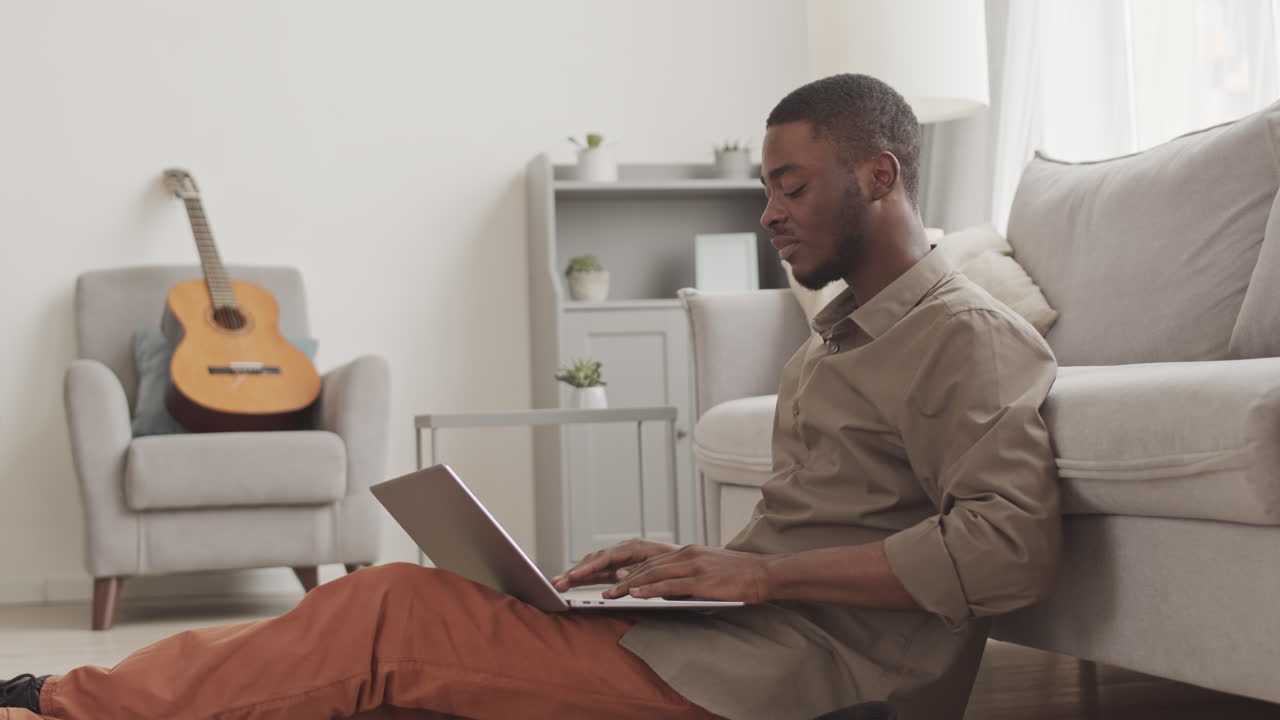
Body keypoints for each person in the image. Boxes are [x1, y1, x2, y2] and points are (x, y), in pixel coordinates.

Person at [0, 73, 1060, 720]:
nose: (768, 214)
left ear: (878, 175)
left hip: (798, 683)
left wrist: (757, 577)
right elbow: (815, 535)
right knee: (397, 638)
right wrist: (682, 568)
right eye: (764, 189)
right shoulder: (838, 337)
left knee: (384, 613)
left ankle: (57, 706)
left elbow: (1005, 555)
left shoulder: (964, 339)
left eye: (789, 185)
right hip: (731, 643)